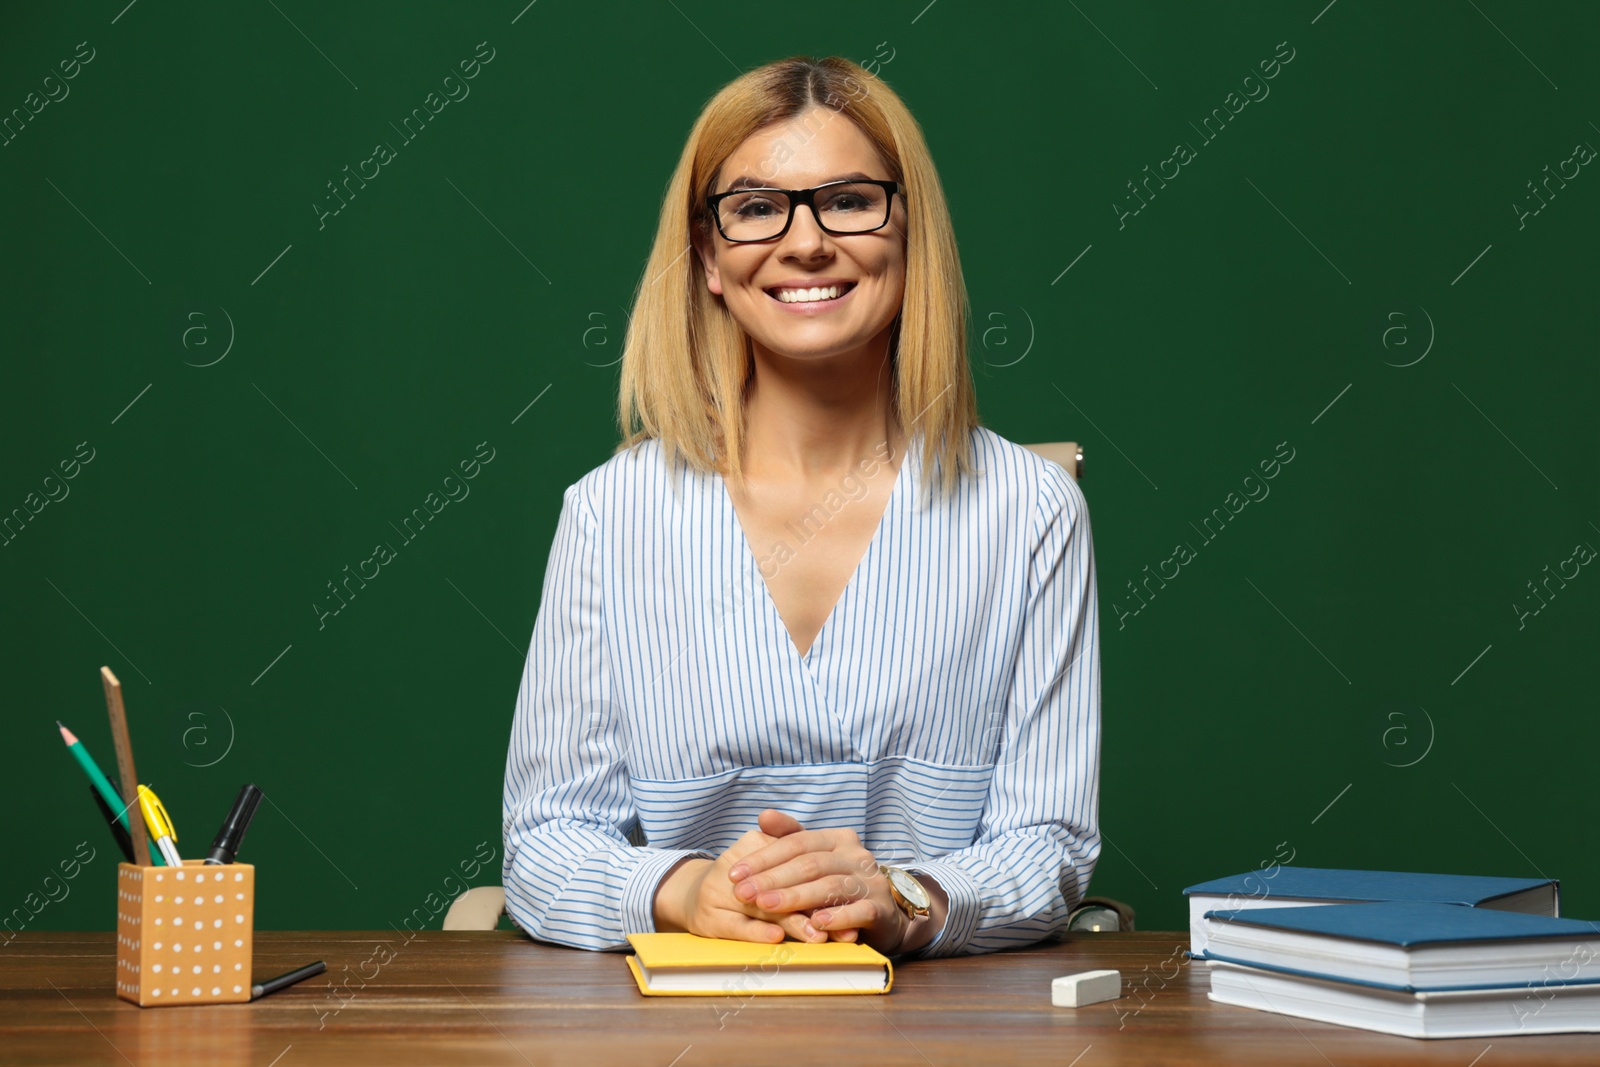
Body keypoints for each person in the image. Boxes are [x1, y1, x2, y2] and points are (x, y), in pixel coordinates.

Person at [502, 55, 1100, 960]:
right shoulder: (608, 515)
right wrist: (687, 889)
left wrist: (902, 897)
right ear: (708, 255)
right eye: (755, 208)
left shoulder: (1032, 512)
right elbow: (546, 842)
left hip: (942, 1036)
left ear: (910, 231)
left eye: (850, 200)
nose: (807, 242)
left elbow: (1048, 844)